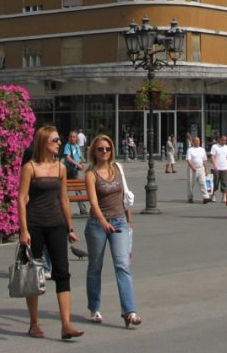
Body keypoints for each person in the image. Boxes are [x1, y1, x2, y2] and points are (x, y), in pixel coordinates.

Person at [17, 125, 83, 340]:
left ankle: (66, 324)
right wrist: (23, 229)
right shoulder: (30, 168)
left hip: (56, 225)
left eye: (59, 140)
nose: (59, 143)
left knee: (62, 273)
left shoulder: (61, 168)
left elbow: (63, 199)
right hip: (34, 225)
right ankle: (34, 323)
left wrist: (70, 228)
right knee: (33, 275)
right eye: (55, 140)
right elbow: (21, 198)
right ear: (44, 142)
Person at [83, 134, 141, 328]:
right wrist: (102, 221)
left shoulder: (117, 168)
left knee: (123, 265)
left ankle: (129, 311)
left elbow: (124, 195)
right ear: (94, 151)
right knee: (95, 267)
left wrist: (129, 220)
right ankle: (94, 307)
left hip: (120, 222)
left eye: (107, 149)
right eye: (100, 149)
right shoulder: (90, 174)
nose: (104, 152)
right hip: (97, 225)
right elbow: (92, 201)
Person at [62, 131, 88, 215]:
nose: (72, 138)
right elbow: (68, 158)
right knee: (64, 190)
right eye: (70, 136)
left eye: (74, 137)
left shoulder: (77, 146)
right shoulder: (67, 145)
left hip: (75, 170)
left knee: (78, 189)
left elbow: (79, 157)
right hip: (68, 170)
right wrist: (77, 164)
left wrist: (81, 163)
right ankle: (62, 209)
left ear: (77, 138)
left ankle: (83, 209)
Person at [186, 136, 209, 204]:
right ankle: (190, 197)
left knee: (203, 183)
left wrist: (206, 169)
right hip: (192, 169)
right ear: (193, 142)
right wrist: (192, 167)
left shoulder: (202, 149)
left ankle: (206, 197)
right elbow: (188, 160)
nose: (198, 142)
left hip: (201, 168)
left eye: (198, 141)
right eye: (196, 141)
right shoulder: (190, 150)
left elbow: (204, 160)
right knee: (191, 184)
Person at [209, 134, 227, 202]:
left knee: (224, 183)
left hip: (225, 168)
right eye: (223, 140)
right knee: (215, 183)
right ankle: (213, 195)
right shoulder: (214, 146)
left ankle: (224, 196)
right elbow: (212, 156)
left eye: (225, 140)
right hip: (215, 168)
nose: (224, 141)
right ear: (219, 139)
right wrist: (215, 165)